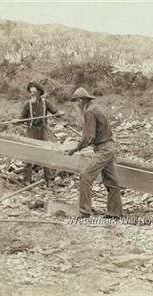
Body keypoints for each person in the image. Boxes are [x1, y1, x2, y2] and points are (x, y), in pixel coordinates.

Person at [66, 87, 123, 218]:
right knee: (111, 181)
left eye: (76, 102)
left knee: (85, 175)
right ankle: (114, 213)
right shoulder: (95, 108)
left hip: (103, 149)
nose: (76, 105)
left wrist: (75, 149)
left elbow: (88, 137)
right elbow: (94, 134)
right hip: (109, 147)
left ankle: (84, 211)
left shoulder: (90, 112)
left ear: (81, 101)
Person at [20, 81, 59, 184]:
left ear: (39, 92)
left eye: (34, 92)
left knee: (45, 154)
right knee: (29, 154)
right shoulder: (27, 104)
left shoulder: (46, 103)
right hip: (31, 130)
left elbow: (55, 112)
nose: (32, 94)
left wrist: (60, 114)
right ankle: (27, 180)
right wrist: (18, 121)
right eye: (30, 92)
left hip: (43, 130)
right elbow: (22, 118)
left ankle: (49, 180)